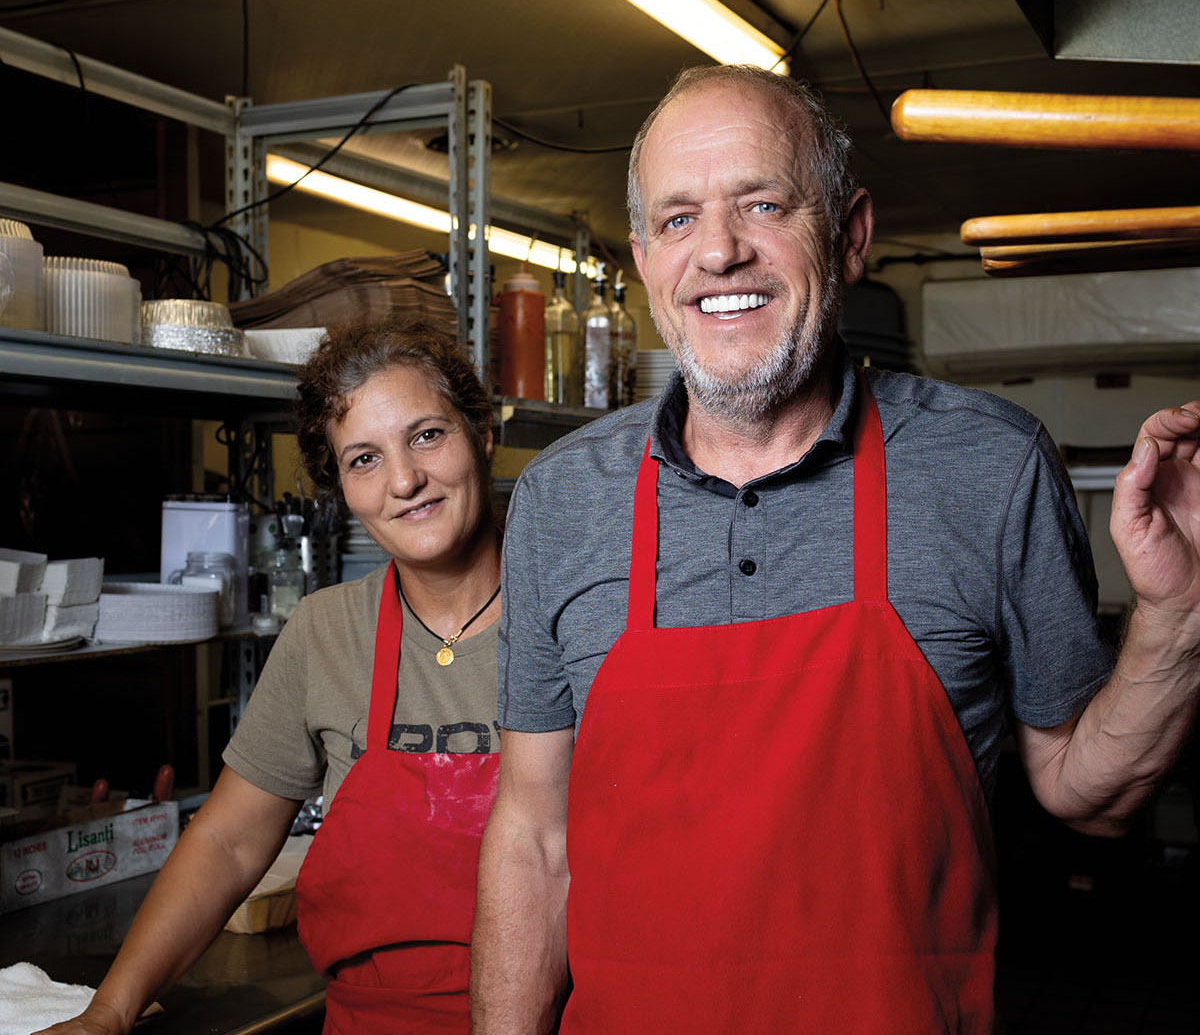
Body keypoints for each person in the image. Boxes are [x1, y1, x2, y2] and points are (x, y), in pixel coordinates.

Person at [470, 64, 1200, 1033]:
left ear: (850, 234)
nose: (721, 251)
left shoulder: (988, 466)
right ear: (645, 260)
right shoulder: (564, 498)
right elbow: (532, 834)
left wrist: (1180, 614)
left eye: (763, 203)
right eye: (679, 219)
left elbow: (1086, 790)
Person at [44, 317, 502, 1035]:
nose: (404, 481)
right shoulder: (325, 631)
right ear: (339, 487)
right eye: (363, 459)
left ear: (483, 432)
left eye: (426, 435)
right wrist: (107, 1011)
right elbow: (227, 842)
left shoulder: (569, 618)